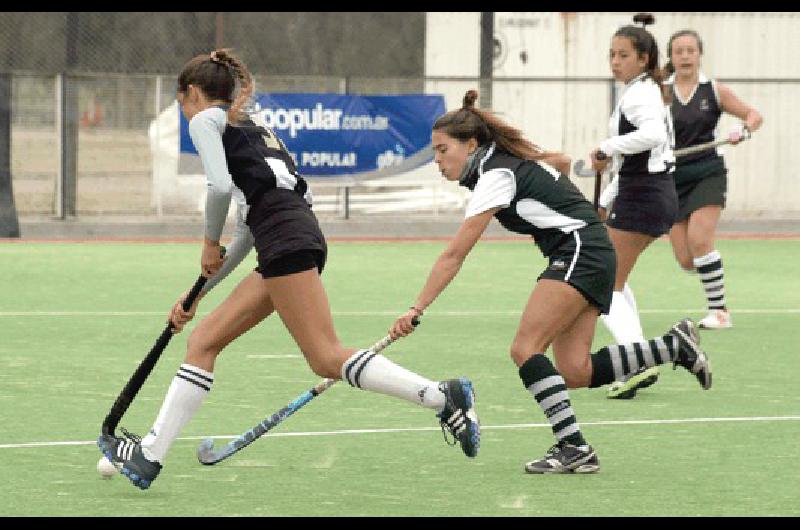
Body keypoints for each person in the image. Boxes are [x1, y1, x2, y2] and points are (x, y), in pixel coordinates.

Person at [97, 49, 480, 490]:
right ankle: (149, 456)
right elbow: (247, 234)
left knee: (325, 355)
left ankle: (441, 397)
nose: (184, 114)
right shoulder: (254, 130)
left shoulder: (207, 121)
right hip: (293, 236)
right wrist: (198, 293)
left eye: (182, 102)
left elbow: (219, 188)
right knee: (203, 340)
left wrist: (206, 241)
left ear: (194, 95)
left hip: (286, 240)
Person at [390, 88, 712, 475]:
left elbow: (455, 254)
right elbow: (558, 161)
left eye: (443, 150)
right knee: (575, 371)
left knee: (526, 349)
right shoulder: (506, 164)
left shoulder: (496, 175)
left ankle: (573, 445)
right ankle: (672, 347)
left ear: (471, 144)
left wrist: (417, 307)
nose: (438, 161)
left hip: (579, 251)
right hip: (591, 250)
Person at [593, 25, 676, 400]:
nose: (615, 61)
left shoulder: (640, 94)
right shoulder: (640, 91)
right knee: (615, 280)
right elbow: (634, 160)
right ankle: (638, 354)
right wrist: (606, 198)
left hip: (645, 196)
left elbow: (654, 135)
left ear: (644, 59)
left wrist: (607, 146)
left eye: (623, 55)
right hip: (642, 192)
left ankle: (638, 359)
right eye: (612, 54)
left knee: (602, 283)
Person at [663, 29, 762, 330]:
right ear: (671, 57)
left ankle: (720, 311)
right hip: (672, 178)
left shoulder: (714, 90)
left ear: (699, 55)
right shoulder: (661, 92)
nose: (684, 56)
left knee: (700, 240)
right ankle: (712, 269)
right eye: (678, 51)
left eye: (690, 50)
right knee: (686, 259)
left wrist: (743, 131)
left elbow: (754, 116)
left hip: (708, 173)